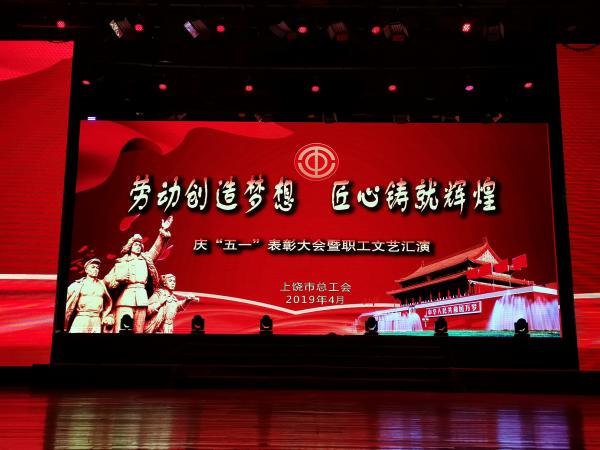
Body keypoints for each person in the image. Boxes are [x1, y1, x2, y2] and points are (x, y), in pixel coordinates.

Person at [104, 216, 173, 333]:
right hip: (125, 298)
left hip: (142, 299)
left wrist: (163, 231)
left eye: (139, 245)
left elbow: (156, 249)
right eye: (135, 244)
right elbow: (107, 280)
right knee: (122, 329)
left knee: (138, 330)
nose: (138, 246)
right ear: (130, 246)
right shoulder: (122, 262)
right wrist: (117, 280)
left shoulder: (146, 259)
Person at [65, 258, 113, 333]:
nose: (96, 269)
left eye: (97, 268)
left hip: (96, 319)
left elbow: (113, 276)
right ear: (86, 270)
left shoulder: (102, 285)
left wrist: (108, 316)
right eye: (93, 267)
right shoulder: (77, 285)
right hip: (82, 318)